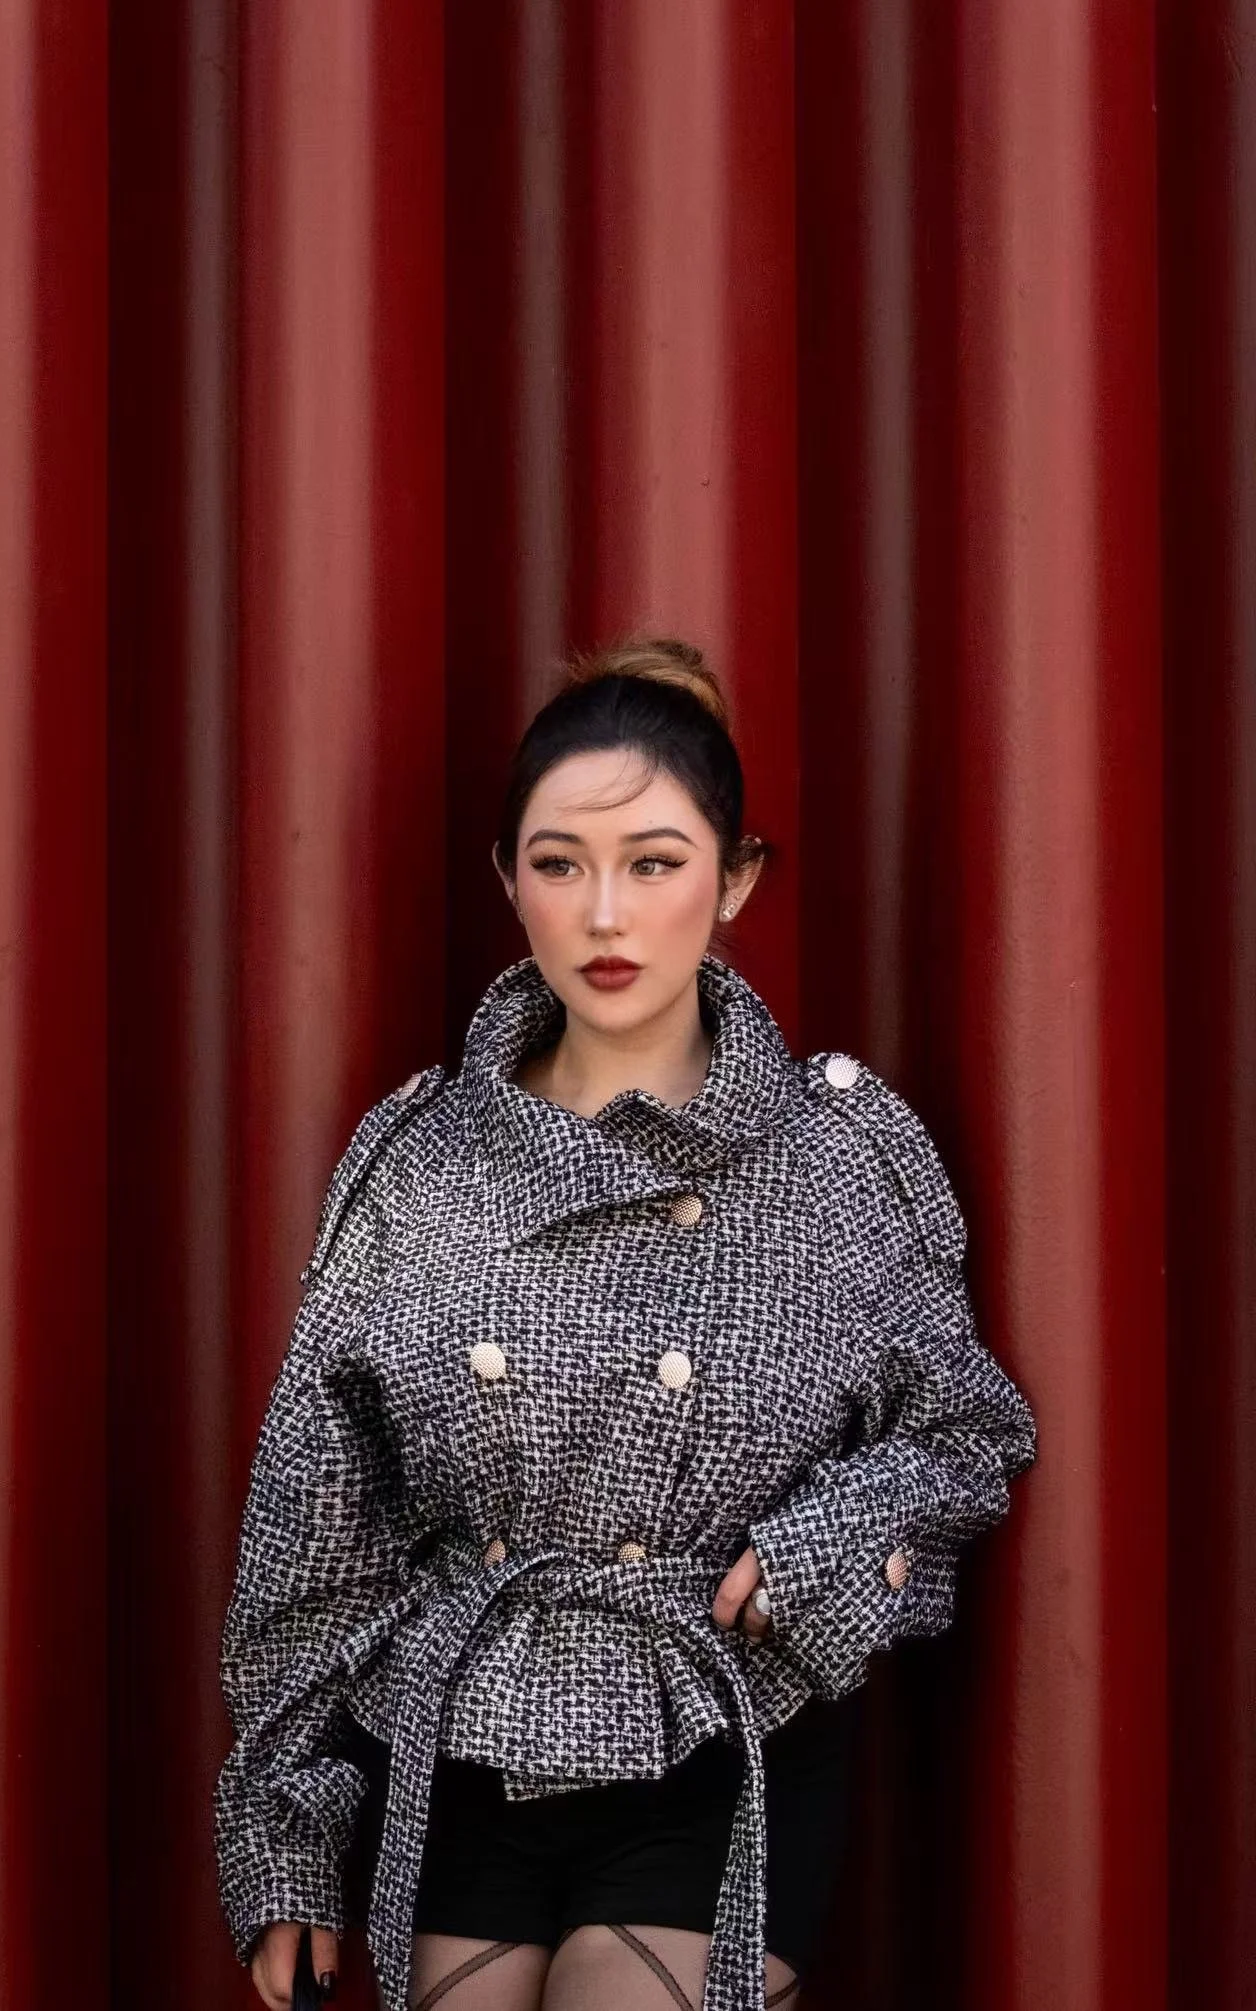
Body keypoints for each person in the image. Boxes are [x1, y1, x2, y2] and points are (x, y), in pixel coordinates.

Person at [213, 637, 1038, 2011]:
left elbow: (966, 1432)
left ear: (737, 878)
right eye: (561, 863)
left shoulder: (835, 1154)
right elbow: (317, 1517)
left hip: (721, 1727)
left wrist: (830, 1551)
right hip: (467, 1734)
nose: (606, 914)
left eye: (655, 863)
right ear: (508, 880)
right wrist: (286, 1833)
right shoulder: (416, 1158)